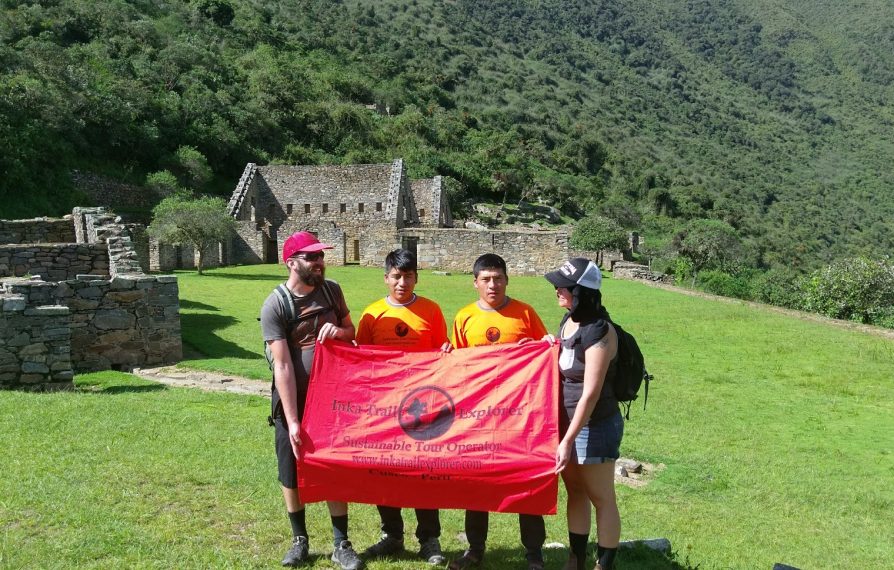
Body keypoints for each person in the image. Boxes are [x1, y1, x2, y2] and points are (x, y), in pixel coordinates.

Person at [260, 231, 362, 570]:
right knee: (290, 467)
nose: (319, 262)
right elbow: (283, 366)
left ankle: (341, 543)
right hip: (294, 398)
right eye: (311, 257)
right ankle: (299, 539)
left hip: (333, 397)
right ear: (291, 262)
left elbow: (352, 333)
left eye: (321, 256)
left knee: (332, 465)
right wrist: (291, 421)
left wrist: (339, 332)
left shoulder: (332, 291)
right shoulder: (276, 304)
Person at [449, 253, 549, 570]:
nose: (493, 285)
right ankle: (475, 550)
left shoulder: (525, 314)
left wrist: (547, 344)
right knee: (475, 482)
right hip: (478, 416)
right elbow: (455, 367)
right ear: (475, 282)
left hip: (519, 416)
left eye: (498, 278)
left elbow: (544, 356)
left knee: (526, 479)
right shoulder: (464, 317)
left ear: (507, 280)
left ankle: (534, 554)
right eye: (486, 279)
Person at [354, 248, 452, 565]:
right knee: (386, 472)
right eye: (396, 276)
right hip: (383, 409)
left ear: (416, 278)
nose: (402, 282)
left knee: (425, 473)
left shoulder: (431, 311)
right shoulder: (371, 315)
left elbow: (443, 356)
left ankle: (429, 539)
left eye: (408, 276)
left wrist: (447, 351)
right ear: (386, 278)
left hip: (423, 408)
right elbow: (361, 363)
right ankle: (392, 535)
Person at [543, 258, 622, 570]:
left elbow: (591, 392)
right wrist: (550, 345)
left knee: (601, 497)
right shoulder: (569, 321)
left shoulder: (600, 332)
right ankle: (576, 559)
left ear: (582, 292)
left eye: (564, 287)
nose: (557, 291)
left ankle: (604, 565)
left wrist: (567, 440)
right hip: (567, 421)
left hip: (594, 424)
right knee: (575, 491)